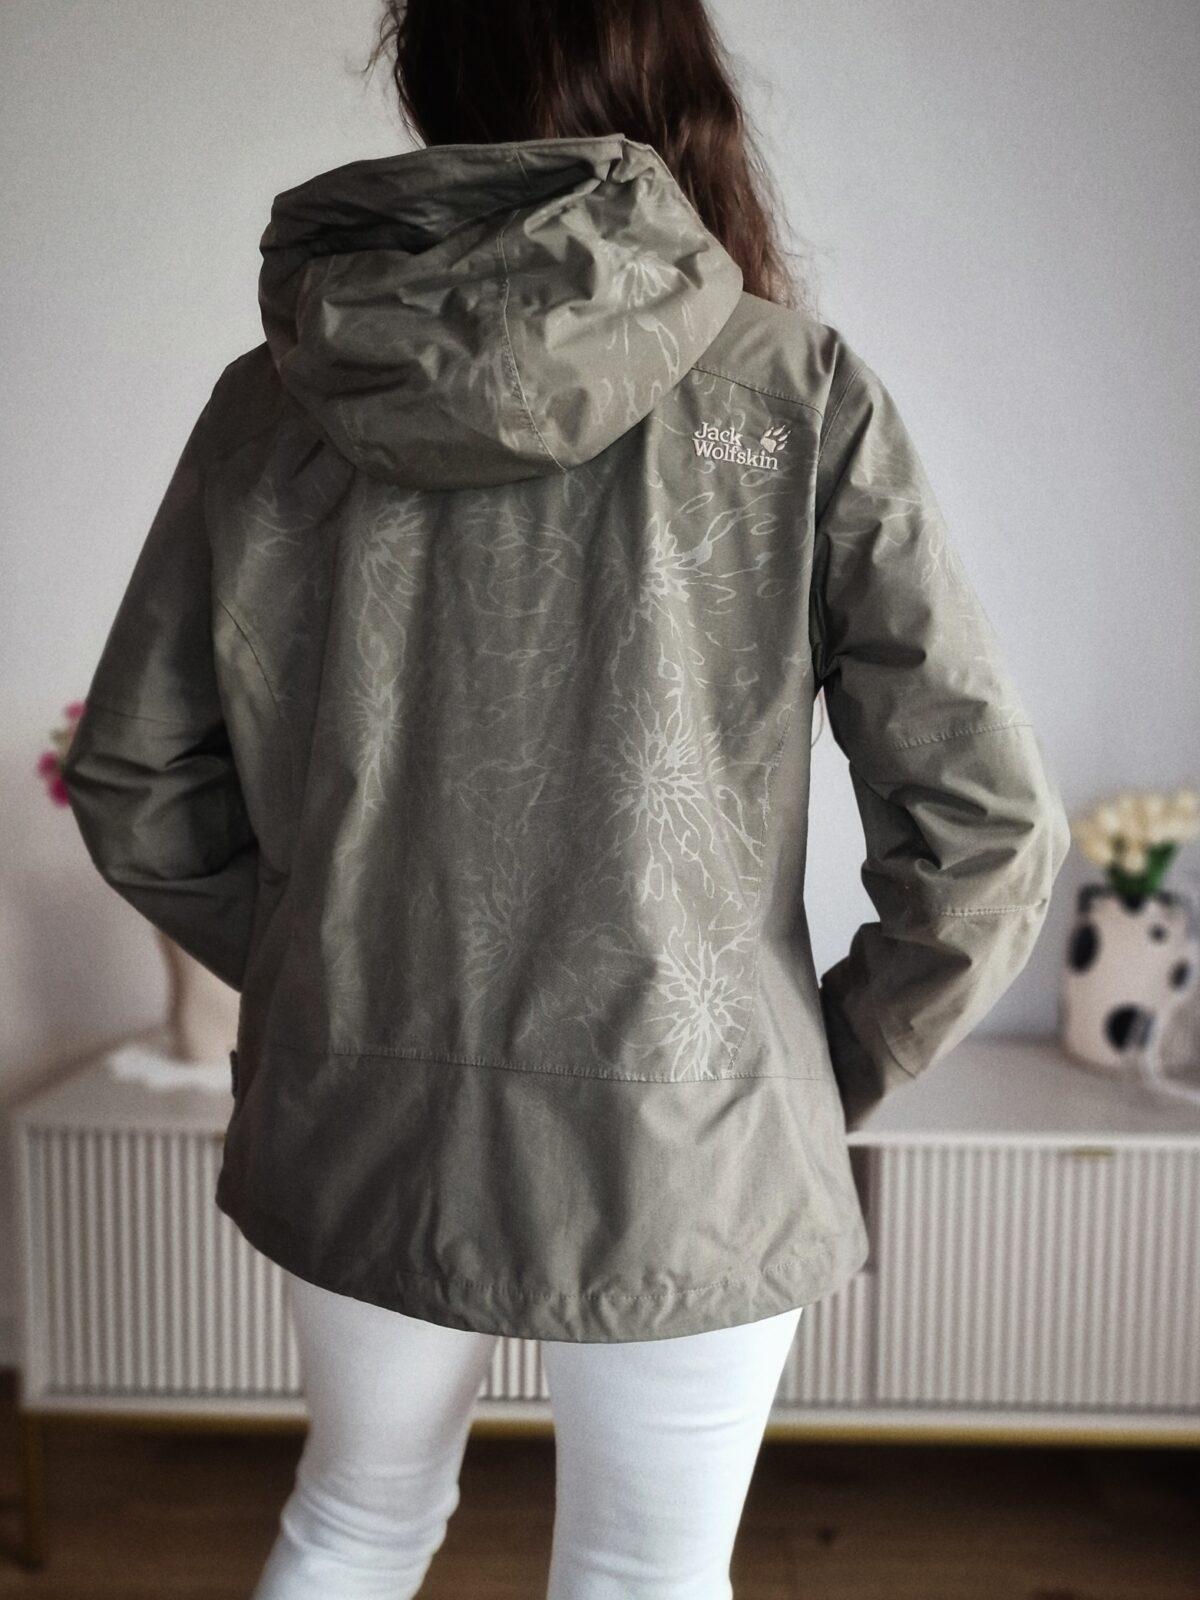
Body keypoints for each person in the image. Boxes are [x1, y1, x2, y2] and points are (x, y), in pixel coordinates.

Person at [60, 0, 1071, 1594]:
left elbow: (136, 779)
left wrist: (337, 989)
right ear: (675, 85)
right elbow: (985, 838)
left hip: (362, 1113)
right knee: (644, 1580)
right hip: (694, 1132)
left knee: (353, 1522)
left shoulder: (277, 398)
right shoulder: (793, 389)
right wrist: (813, 1074)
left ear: (435, 90)